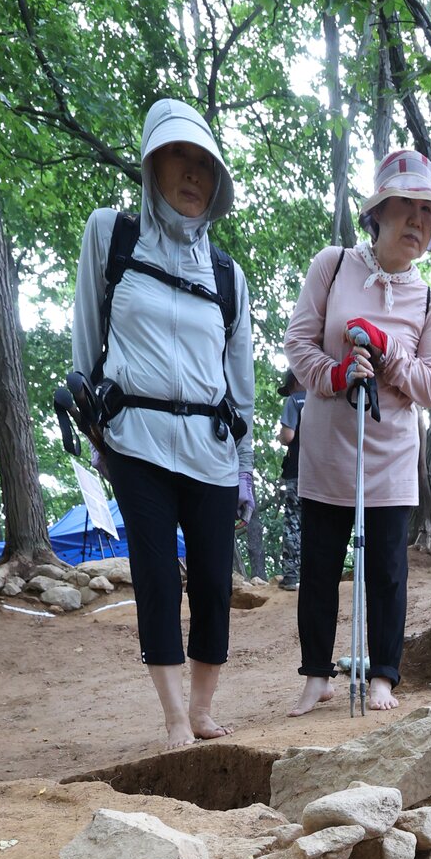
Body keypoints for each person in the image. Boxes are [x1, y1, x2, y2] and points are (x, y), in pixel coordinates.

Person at [71, 98, 254, 751]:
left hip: (211, 448)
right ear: (153, 163)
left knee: (210, 578)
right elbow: (86, 344)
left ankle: (204, 709)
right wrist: (90, 413)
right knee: (154, 573)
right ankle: (174, 717)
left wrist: (247, 469)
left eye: (206, 164)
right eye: (180, 156)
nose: (194, 174)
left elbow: (242, 386)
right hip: (136, 440)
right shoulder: (111, 234)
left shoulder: (228, 276)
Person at [284, 149, 431, 714]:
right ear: (378, 212)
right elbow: (299, 342)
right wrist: (332, 374)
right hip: (329, 443)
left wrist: (386, 353)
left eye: (427, 212)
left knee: (386, 566)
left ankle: (383, 674)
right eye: (405, 205)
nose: (417, 221)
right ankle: (316, 674)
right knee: (321, 561)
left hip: (392, 453)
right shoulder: (332, 266)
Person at [276, 370, 305, 589]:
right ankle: (313, 572)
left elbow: (288, 436)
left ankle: (291, 576)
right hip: (323, 473)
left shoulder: (295, 400)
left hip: (297, 472)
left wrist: (280, 436)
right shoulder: (322, 399)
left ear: (295, 382)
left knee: (294, 522)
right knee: (316, 521)